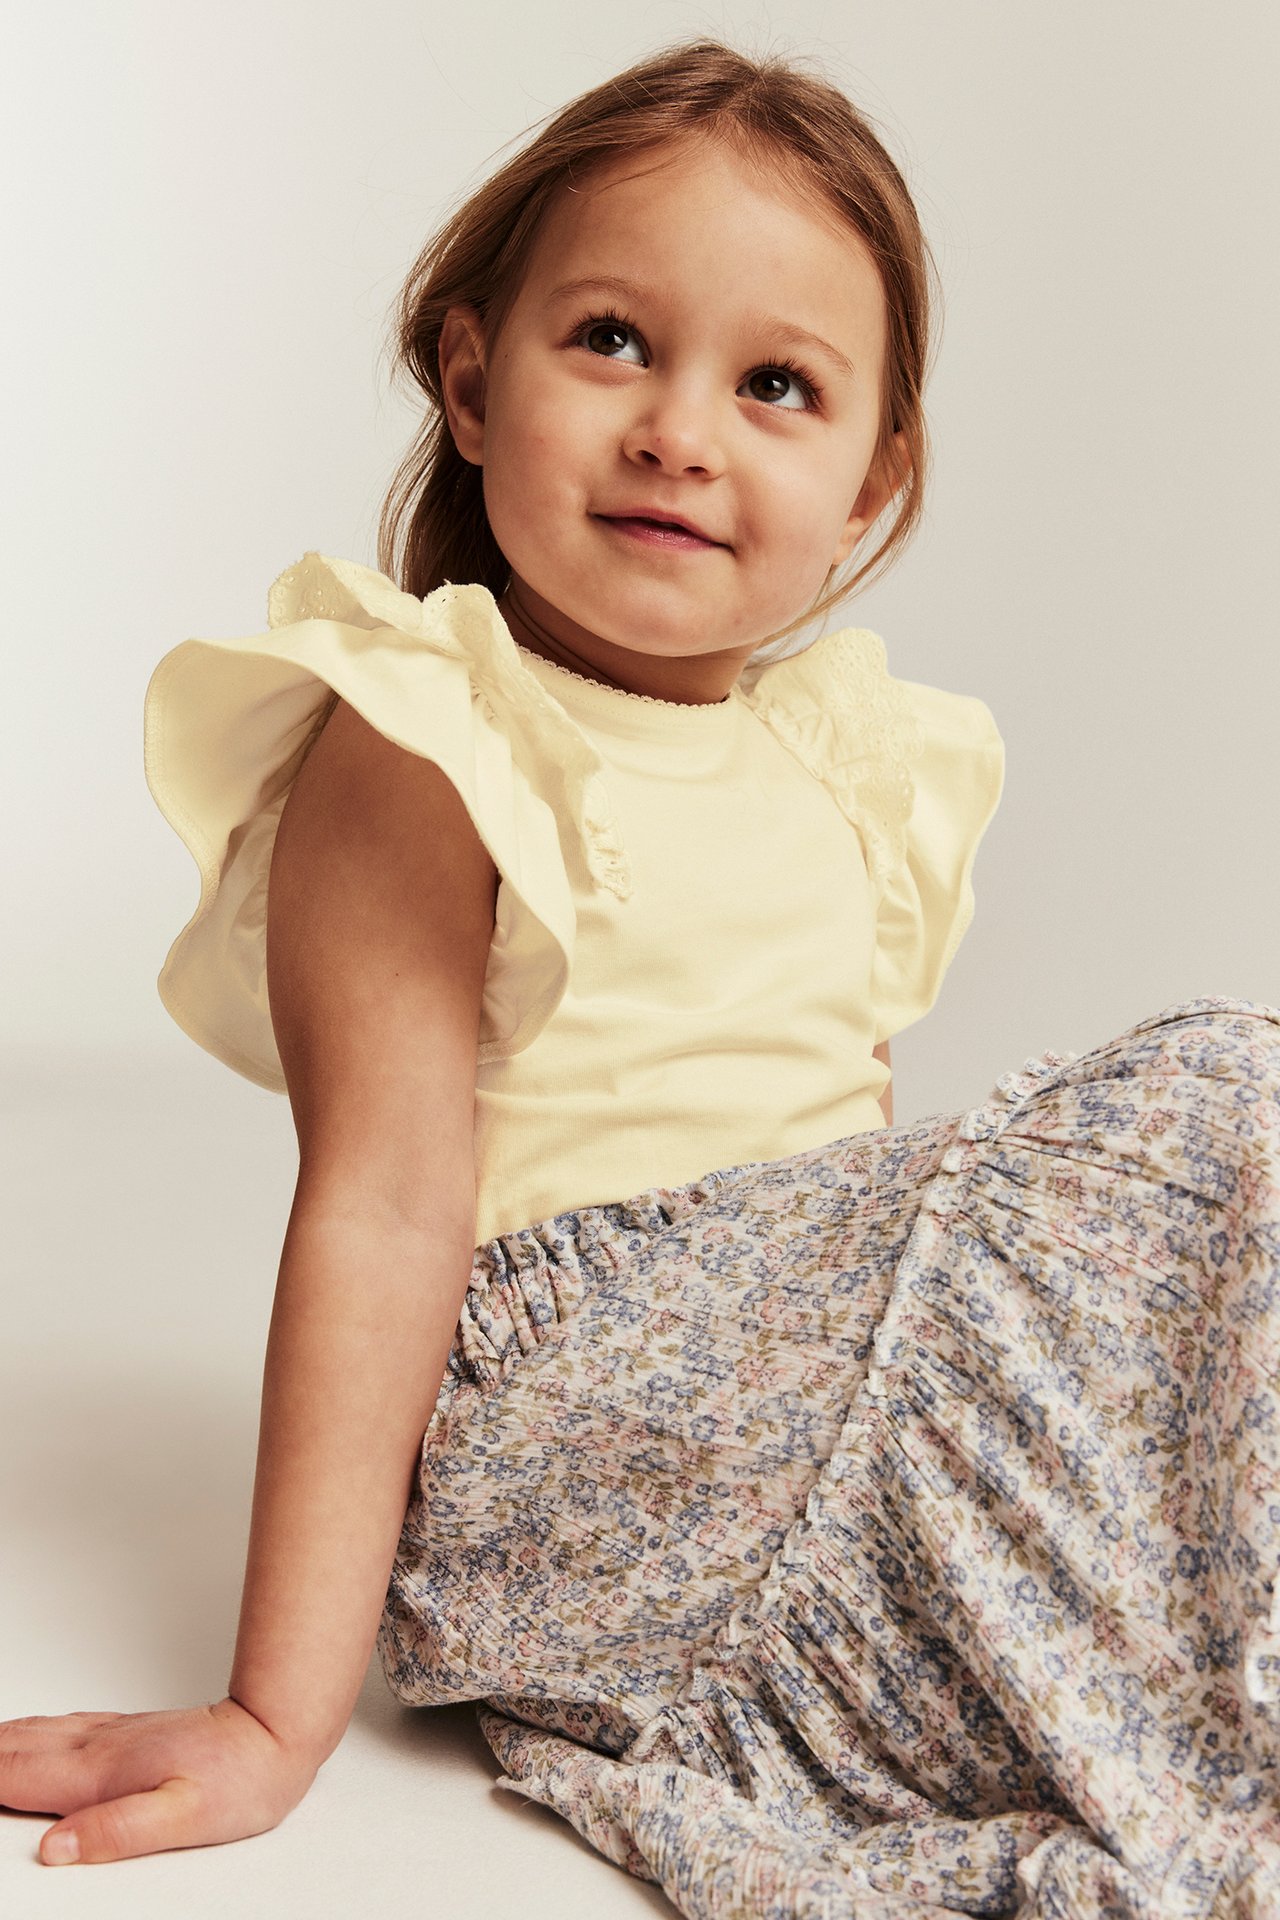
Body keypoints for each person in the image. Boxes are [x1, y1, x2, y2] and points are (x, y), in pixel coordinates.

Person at [4, 36, 1278, 1918]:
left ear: (871, 480)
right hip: (579, 1429)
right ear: (468, 374)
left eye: (776, 384)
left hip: (789, 1400)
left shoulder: (849, 757)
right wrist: (280, 1714)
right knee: (1224, 1093)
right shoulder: (435, 740)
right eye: (612, 341)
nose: (682, 427)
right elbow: (381, 1202)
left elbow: (884, 1224)